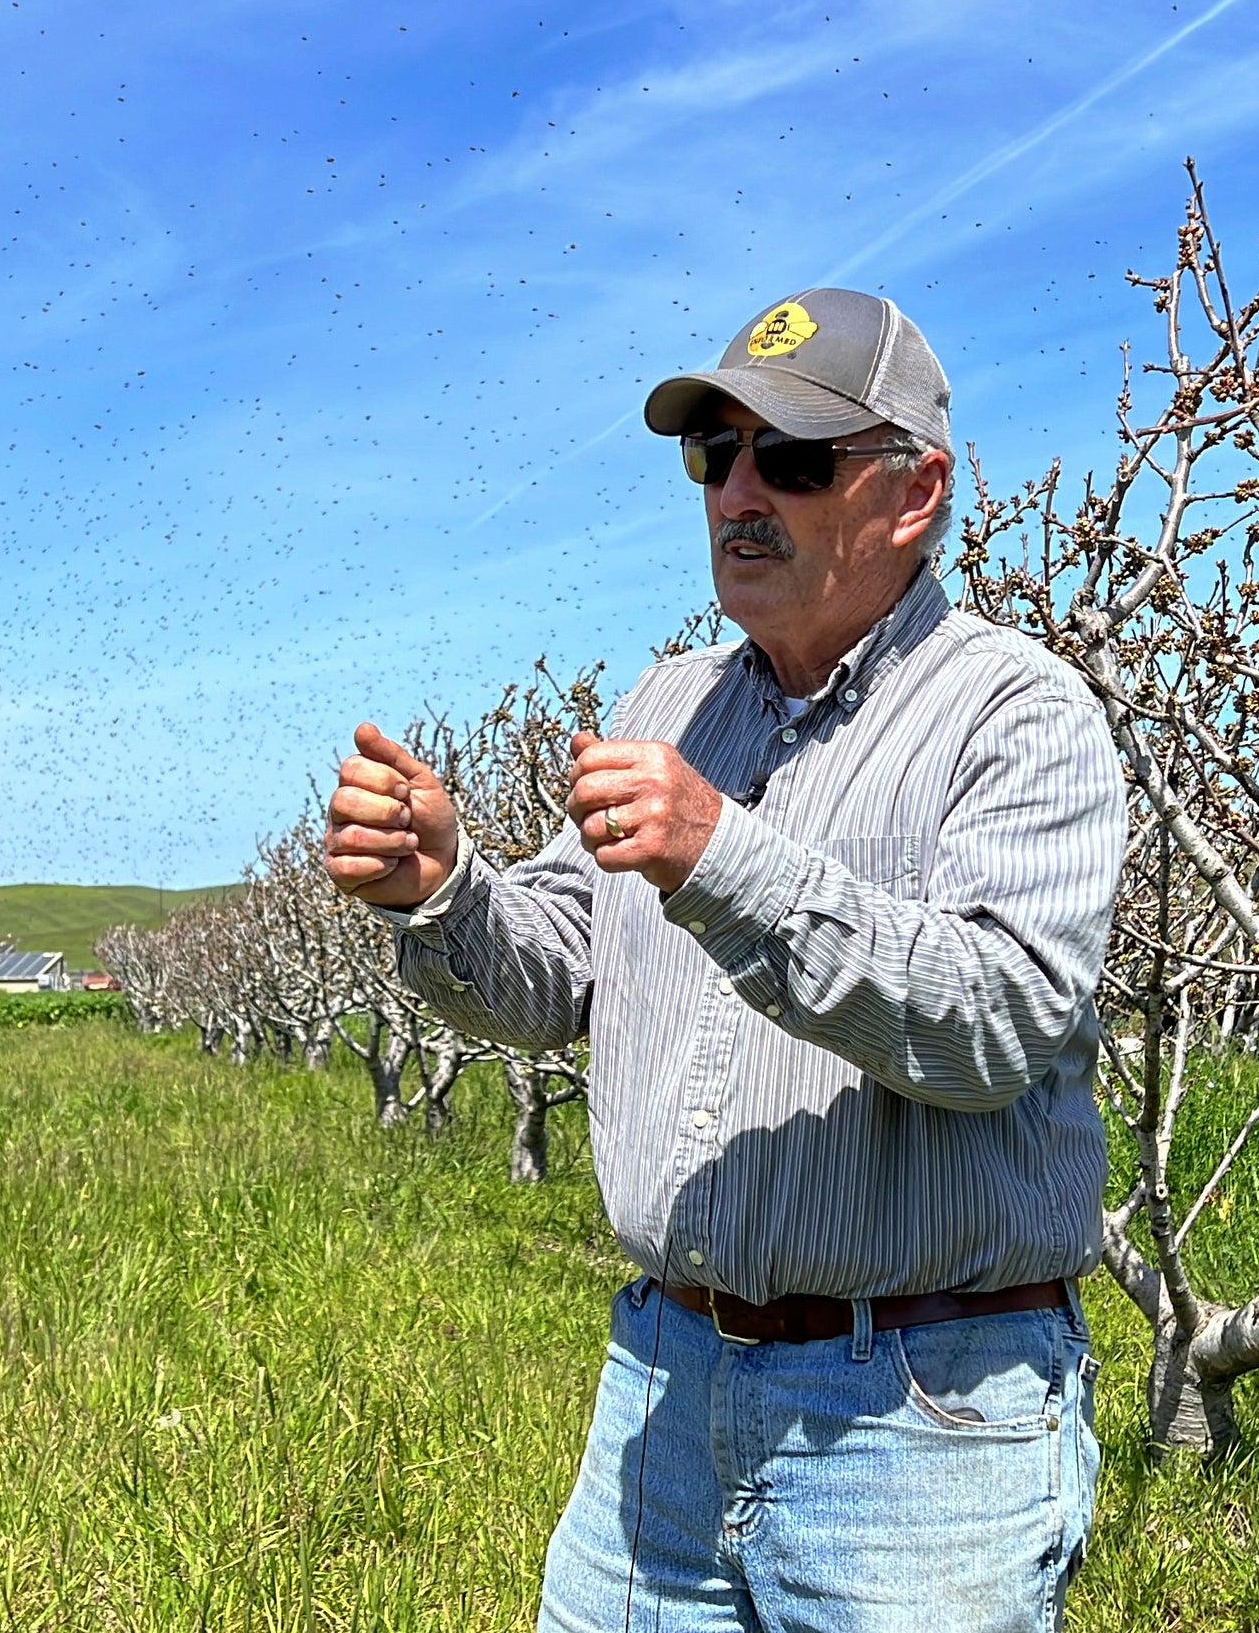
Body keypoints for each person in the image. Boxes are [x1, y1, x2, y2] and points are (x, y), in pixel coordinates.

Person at [323, 288, 1125, 1631]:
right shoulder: (666, 706)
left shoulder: (1018, 715)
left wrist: (723, 858)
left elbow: (999, 1023)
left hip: (919, 1421)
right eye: (717, 453)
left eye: (794, 459)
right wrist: (446, 893)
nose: (740, 491)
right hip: (664, 1378)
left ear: (915, 493)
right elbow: (560, 973)